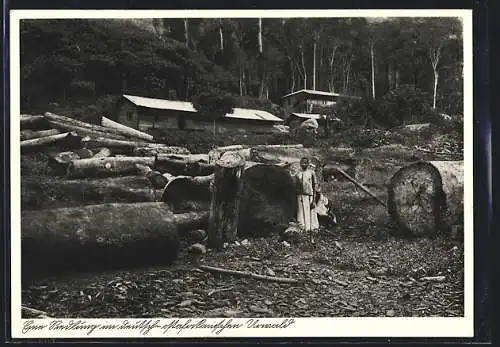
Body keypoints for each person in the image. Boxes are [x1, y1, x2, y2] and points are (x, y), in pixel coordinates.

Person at [295, 157, 320, 238]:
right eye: (302, 162)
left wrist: (314, 200)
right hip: (300, 196)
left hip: (309, 195)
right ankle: (302, 228)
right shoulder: (297, 174)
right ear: (300, 164)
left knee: (310, 212)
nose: (304, 164)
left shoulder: (311, 173)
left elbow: (314, 186)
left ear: (308, 164)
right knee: (301, 212)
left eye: (306, 162)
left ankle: (311, 229)